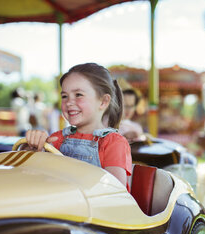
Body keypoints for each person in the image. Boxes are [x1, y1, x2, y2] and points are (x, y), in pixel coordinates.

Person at [25, 63, 132, 191]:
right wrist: (33, 148)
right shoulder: (57, 139)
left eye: (78, 95)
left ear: (103, 102)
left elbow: (114, 192)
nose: (69, 102)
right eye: (64, 96)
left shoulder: (113, 142)